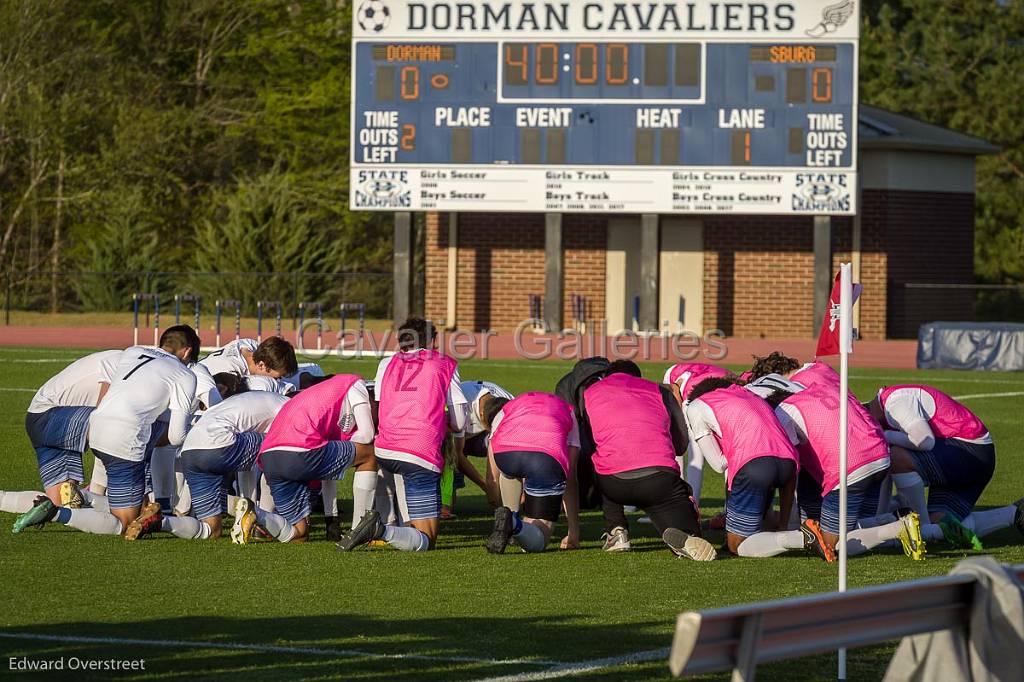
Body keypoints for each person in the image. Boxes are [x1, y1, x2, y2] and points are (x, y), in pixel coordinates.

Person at [13, 326, 200, 537]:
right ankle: (63, 511)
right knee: (124, 523)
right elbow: (175, 436)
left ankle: (68, 501)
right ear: (186, 352)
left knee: (63, 501)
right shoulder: (184, 374)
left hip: (87, 424)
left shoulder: (132, 352)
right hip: (99, 428)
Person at [336, 318, 467, 553]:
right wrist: (446, 426)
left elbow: (378, 404)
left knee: (411, 495)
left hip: (385, 448)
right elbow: (459, 419)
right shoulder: (444, 363)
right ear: (433, 341)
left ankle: (388, 522)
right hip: (420, 451)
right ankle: (380, 530)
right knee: (427, 539)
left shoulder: (386, 363)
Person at [771, 386, 926, 561]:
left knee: (827, 545)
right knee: (855, 530)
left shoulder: (784, 410)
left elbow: (791, 464)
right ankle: (896, 518)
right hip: (881, 457)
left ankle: (898, 528)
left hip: (851, 469)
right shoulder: (827, 391)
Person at [582, 360, 715, 561]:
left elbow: (590, 440)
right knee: (688, 533)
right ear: (638, 377)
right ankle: (684, 536)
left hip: (613, 482)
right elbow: (680, 444)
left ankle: (617, 531)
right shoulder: (659, 391)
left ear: (607, 377)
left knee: (602, 458)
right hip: (660, 479)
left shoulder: (591, 392)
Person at [686, 377, 830, 560]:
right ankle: (789, 531)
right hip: (789, 463)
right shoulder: (748, 393)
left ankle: (801, 538)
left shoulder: (695, 406)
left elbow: (719, 464)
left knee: (736, 545)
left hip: (755, 466)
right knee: (768, 527)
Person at [866, 384, 1022, 548]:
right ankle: (1014, 514)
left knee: (896, 456)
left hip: (969, 452)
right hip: (975, 455)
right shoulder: (891, 404)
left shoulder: (894, 403)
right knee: (940, 521)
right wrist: (880, 516)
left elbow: (924, 440)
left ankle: (922, 529)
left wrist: (885, 435)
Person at [125, 387, 288, 541]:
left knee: (211, 530)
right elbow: (270, 460)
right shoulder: (288, 406)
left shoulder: (250, 398)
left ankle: (161, 522)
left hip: (190, 450)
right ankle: (258, 515)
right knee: (274, 447)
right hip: (219, 444)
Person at [231, 373, 375, 544]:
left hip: (269, 457)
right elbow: (367, 435)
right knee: (369, 454)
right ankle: (360, 529)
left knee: (299, 534)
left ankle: (257, 514)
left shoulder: (314, 396)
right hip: (300, 451)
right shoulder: (354, 382)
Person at [14, 350, 121, 511]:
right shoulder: (123, 364)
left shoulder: (126, 358)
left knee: (58, 506)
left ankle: (4, 499)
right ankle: (95, 492)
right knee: (115, 427)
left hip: (37, 419)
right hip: (50, 415)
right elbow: (104, 418)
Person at [482, 392, 581, 554]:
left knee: (509, 472)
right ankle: (514, 524)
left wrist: (497, 505)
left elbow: (493, 475)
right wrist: (573, 532)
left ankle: (510, 519)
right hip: (543, 459)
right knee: (538, 540)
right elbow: (570, 477)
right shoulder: (568, 411)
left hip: (506, 456)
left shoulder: (506, 409)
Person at [661, 362, 734, 502]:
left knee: (706, 452)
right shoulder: (671, 373)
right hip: (724, 385)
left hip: (728, 395)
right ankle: (679, 501)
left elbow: (696, 457)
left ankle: (692, 505)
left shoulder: (690, 398)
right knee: (675, 438)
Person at [199, 336, 298, 381]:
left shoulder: (250, 344)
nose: (279, 381)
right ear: (261, 365)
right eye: (277, 378)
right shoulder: (231, 373)